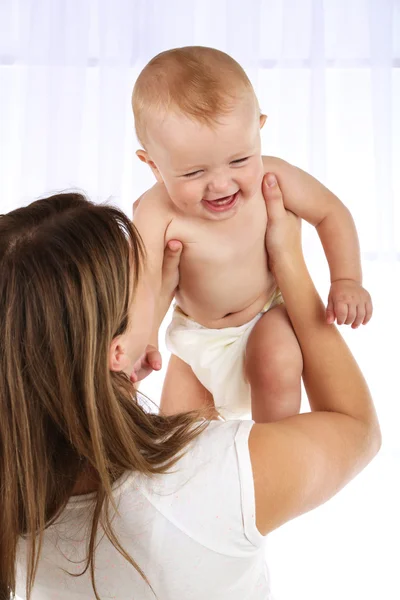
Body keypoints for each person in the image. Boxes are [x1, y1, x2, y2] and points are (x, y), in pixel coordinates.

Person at [1, 177, 380, 600]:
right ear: (114, 352)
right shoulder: (213, 477)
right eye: (140, 285)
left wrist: (111, 376)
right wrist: (289, 258)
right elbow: (357, 428)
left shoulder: (15, 522)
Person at [132, 46, 373, 423]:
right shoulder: (155, 211)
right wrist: (139, 341)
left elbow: (331, 212)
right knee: (175, 443)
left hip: (265, 316)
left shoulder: (271, 178)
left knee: (273, 358)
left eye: (239, 160)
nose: (220, 184)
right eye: (194, 173)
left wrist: (346, 279)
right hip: (196, 339)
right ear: (153, 165)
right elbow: (143, 283)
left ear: (258, 131)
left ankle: (273, 446)